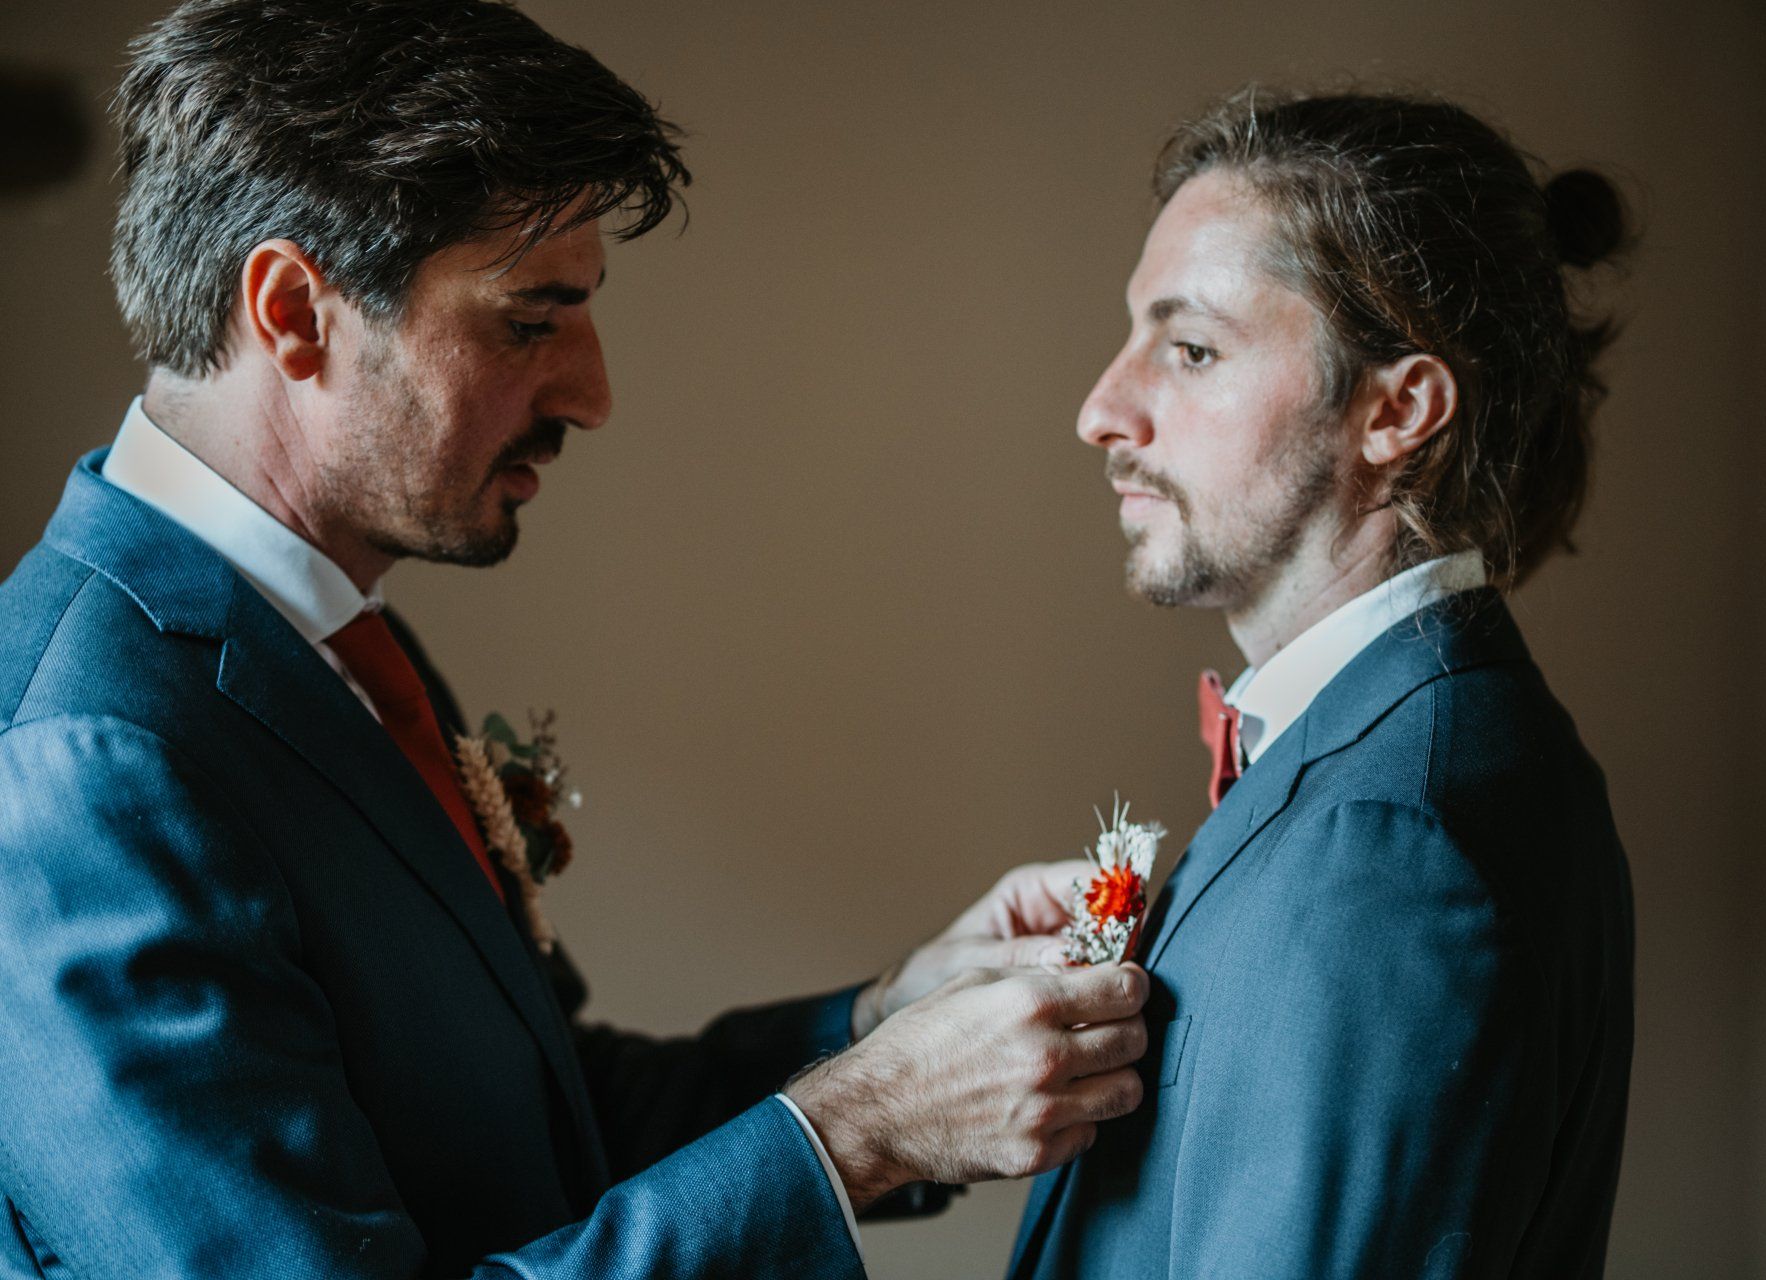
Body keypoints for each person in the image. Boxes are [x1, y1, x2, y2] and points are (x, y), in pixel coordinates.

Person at [0, 3, 1149, 1277]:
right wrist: (857, 1131)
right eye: (529, 319)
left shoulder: (335, 644)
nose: (593, 396)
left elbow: (543, 1124)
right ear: (293, 310)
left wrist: (888, 1020)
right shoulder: (78, 763)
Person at [1008, 89, 1635, 1278]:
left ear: (1396, 409)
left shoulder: (1397, 838)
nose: (1102, 410)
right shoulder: (1402, 753)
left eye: (1191, 349)